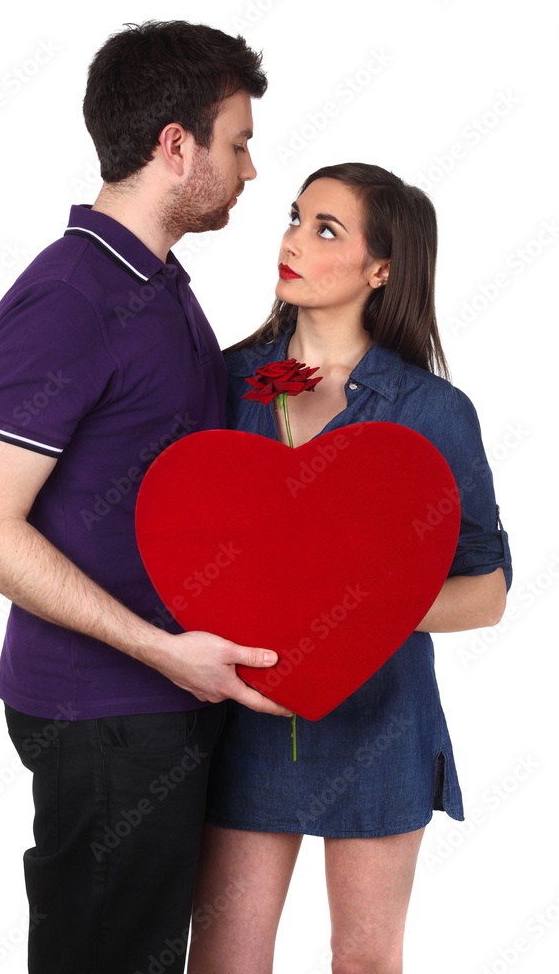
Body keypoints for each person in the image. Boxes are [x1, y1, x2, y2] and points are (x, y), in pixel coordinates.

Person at [0, 20, 293, 974]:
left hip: (165, 701)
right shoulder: (70, 296)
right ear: (176, 145)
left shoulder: (158, 283)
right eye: (238, 140)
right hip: (107, 716)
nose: (251, 169)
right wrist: (160, 652)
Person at [187, 163, 512, 974]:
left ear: (381, 269)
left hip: (381, 727)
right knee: (225, 960)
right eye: (295, 218)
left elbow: (487, 593)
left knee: (365, 963)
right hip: (243, 721)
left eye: (325, 229)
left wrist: (357, 607)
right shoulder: (226, 381)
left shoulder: (431, 411)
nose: (293, 240)